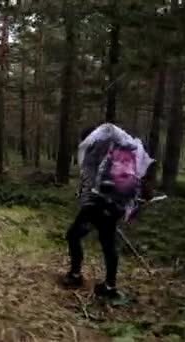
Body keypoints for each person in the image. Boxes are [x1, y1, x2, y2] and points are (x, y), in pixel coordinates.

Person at [63, 123, 154, 298]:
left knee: (73, 235)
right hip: (117, 205)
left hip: (97, 203)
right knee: (108, 244)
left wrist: (87, 207)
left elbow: (89, 184)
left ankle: (75, 275)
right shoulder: (120, 153)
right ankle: (110, 286)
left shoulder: (94, 153)